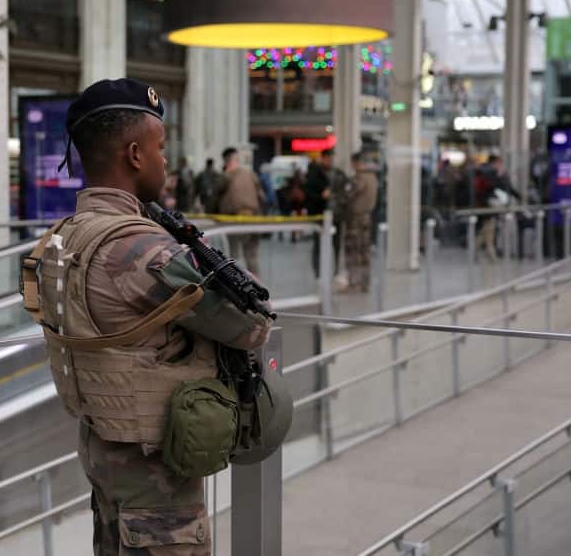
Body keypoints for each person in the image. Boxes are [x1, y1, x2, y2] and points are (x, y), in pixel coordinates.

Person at [20, 78, 271, 556]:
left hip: (107, 461)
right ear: (135, 155)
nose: (166, 161)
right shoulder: (139, 248)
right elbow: (254, 322)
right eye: (161, 148)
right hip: (157, 485)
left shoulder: (65, 236)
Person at [216, 147, 264, 273]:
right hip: (253, 217)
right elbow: (261, 196)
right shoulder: (250, 173)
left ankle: (237, 285)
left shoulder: (225, 176)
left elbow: (214, 197)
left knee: (234, 254)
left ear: (226, 162)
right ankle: (257, 286)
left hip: (233, 219)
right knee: (251, 255)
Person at [343, 152, 378, 292]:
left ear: (356, 162)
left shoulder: (359, 178)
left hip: (356, 219)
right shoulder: (373, 177)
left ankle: (353, 283)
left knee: (352, 250)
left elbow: (348, 195)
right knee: (365, 251)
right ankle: (365, 283)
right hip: (367, 217)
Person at [305, 149, 343, 275]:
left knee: (336, 244)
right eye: (328, 158)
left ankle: (336, 270)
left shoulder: (338, 173)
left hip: (336, 215)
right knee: (319, 244)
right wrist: (321, 196)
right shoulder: (314, 174)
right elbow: (309, 194)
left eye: (331, 158)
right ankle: (318, 271)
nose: (330, 161)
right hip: (320, 214)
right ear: (323, 158)